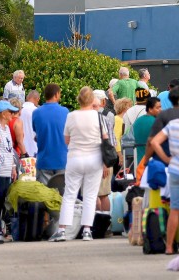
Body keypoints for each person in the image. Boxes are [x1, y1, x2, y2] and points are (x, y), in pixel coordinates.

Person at [50, 87, 109, 242]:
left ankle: (62, 230)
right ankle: (87, 231)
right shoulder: (98, 117)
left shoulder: (71, 116)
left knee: (69, 194)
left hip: (75, 157)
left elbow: (67, 140)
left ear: (79, 100)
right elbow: (105, 138)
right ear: (92, 100)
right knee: (90, 195)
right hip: (94, 158)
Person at [151, 83, 179, 255]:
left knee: (175, 209)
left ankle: (169, 246)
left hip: (175, 169)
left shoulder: (172, 124)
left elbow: (154, 142)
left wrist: (166, 158)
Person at [0, 101, 18, 243]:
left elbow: (10, 149)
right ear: (3, 113)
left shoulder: (6, 128)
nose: (12, 115)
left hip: (6, 169)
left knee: (1, 203)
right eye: (10, 112)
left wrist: (13, 166)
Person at [33, 83, 69, 185]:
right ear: (56, 94)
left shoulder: (36, 113)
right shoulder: (65, 112)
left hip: (44, 160)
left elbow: (36, 132)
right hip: (62, 160)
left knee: (44, 197)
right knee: (61, 196)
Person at [133, 97, 161, 164]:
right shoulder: (156, 122)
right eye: (158, 108)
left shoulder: (137, 121)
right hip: (153, 161)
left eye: (160, 107)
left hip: (139, 161)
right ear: (150, 109)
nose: (161, 110)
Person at [20, 90, 39, 156]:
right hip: (34, 147)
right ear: (37, 99)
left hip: (20, 148)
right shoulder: (36, 111)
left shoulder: (18, 110)